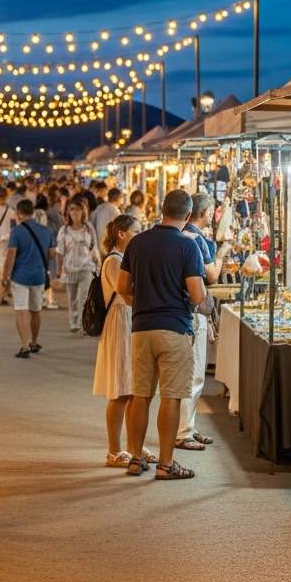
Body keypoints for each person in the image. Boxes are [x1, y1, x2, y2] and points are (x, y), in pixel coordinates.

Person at [117, 190, 207, 481]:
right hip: (174, 328)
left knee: (140, 395)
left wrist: (143, 303)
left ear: (161, 209)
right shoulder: (188, 245)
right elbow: (196, 295)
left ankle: (135, 458)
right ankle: (166, 464)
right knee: (172, 396)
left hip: (142, 328)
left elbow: (123, 288)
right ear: (189, 216)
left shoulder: (137, 242)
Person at [94, 214, 141, 467]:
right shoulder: (114, 261)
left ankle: (135, 447)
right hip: (120, 323)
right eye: (136, 230)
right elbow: (126, 294)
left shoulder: (125, 259)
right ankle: (114, 450)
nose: (139, 234)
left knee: (135, 391)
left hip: (130, 322)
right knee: (121, 391)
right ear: (122, 234)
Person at [176, 192, 219, 451]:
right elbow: (212, 275)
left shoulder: (179, 235)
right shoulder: (198, 239)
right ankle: (183, 431)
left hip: (181, 312)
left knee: (186, 374)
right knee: (193, 375)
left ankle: (186, 427)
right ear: (204, 213)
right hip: (193, 311)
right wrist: (222, 252)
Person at [1, 199, 53, 358]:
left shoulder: (16, 232)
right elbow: (52, 254)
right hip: (38, 276)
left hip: (20, 277)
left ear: (19, 214)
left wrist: (5, 278)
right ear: (32, 212)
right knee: (36, 310)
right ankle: (34, 342)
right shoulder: (45, 230)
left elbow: (11, 255)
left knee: (21, 310)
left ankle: (24, 347)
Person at [55, 199, 98, 333]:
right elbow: (60, 252)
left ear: (82, 211)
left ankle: (83, 322)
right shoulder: (64, 230)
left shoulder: (88, 228)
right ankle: (74, 322)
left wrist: (98, 264)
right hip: (69, 269)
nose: (74, 212)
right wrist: (59, 268)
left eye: (77, 209)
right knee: (72, 298)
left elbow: (94, 246)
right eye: (72, 209)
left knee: (84, 297)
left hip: (86, 266)